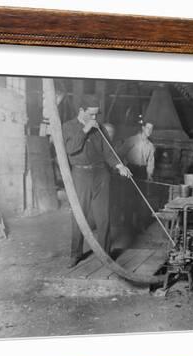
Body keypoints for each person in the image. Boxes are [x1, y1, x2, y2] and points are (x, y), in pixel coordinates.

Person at [62, 94, 132, 268]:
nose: (94, 118)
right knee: (79, 215)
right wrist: (85, 130)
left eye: (96, 115)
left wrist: (119, 166)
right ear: (81, 111)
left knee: (103, 216)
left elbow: (108, 152)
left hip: (101, 174)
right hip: (80, 175)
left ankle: (105, 254)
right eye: (90, 114)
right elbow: (70, 149)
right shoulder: (68, 127)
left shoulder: (100, 128)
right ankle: (75, 254)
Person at [117, 120, 156, 230]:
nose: (150, 131)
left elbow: (151, 162)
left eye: (151, 129)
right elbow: (120, 153)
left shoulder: (151, 146)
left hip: (142, 171)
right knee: (128, 198)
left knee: (141, 199)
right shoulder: (133, 140)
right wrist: (122, 167)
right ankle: (127, 225)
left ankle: (139, 224)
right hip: (131, 169)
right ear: (143, 128)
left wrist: (149, 174)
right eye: (148, 128)